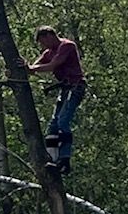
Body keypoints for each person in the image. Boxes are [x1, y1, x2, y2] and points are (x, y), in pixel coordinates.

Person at [22, 26, 86, 175]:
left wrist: (32, 68)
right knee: (53, 126)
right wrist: (23, 67)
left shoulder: (67, 46)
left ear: (49, 36)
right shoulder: (48, 52)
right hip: (65, 89)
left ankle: (64, 160)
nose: (43, 46)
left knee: (63, 121)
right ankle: (52, 159)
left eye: (43, 42)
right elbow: (33, 68)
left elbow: (52, 65)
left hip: (75, 87)